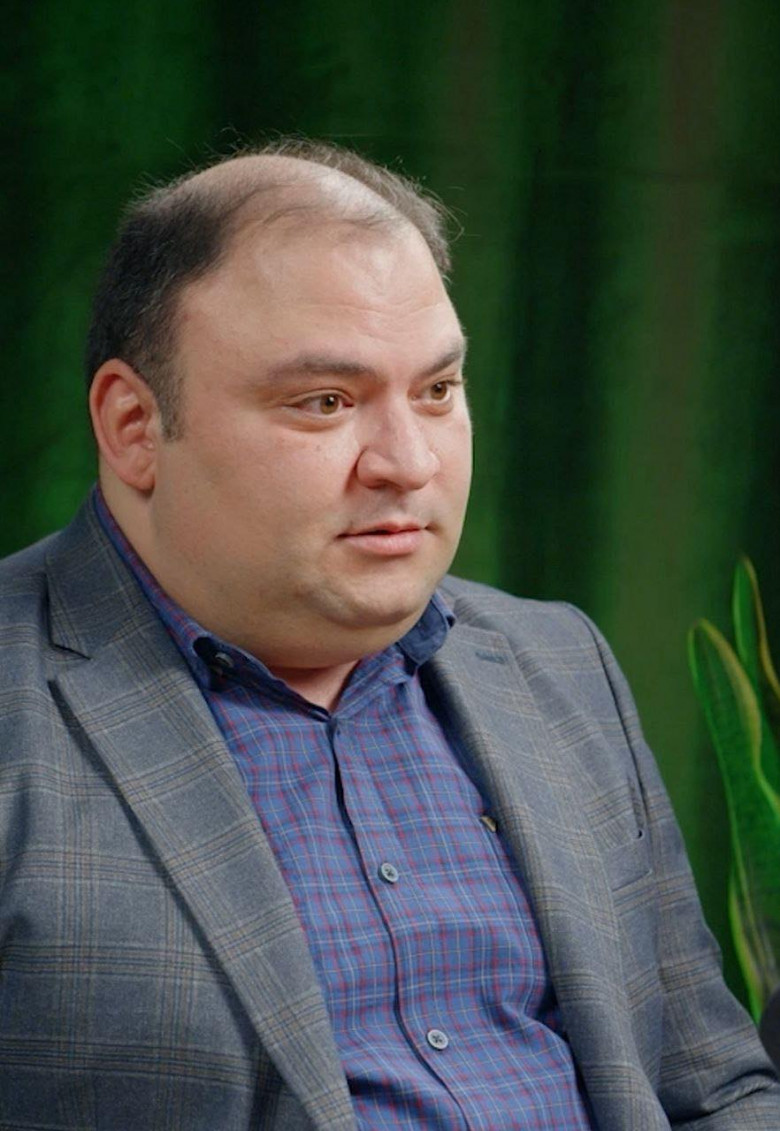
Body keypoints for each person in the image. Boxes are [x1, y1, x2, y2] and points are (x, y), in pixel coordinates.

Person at [1, 139, 778, 1131]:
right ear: (134, 426)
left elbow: (716, 1090)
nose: (409, 462)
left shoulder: (558, 663)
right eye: (325, 402)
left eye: (437, 391)